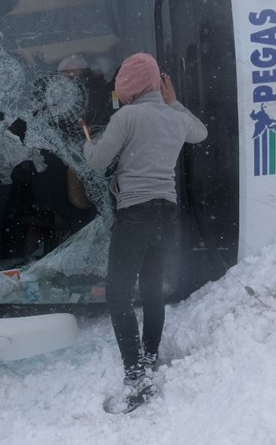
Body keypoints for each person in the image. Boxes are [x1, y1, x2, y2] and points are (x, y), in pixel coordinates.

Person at [81, 53, 208, 414]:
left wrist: (88, 142)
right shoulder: (174, 117)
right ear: (155, 84)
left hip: (135, 216)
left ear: (127, 88)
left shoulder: (126, 117)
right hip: (166, 215)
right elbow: (201, 133)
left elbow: (96, 161)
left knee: (118, 296)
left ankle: (136, 378)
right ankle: (149, 358)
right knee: (152, 290)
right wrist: (174, 102)